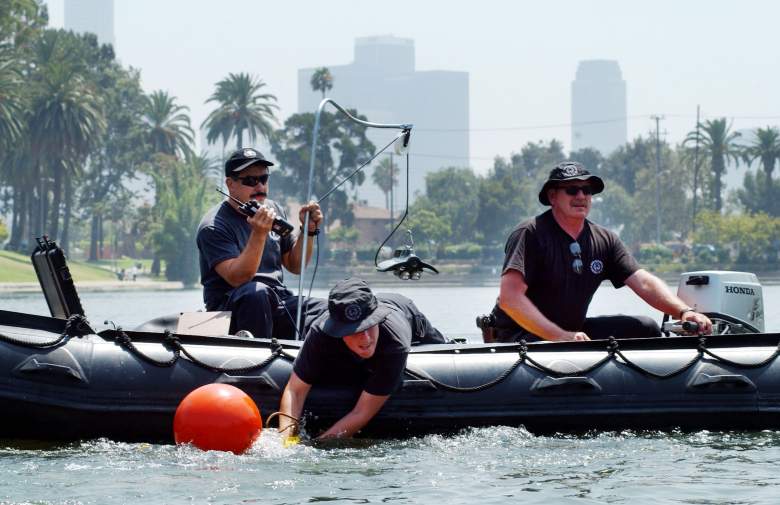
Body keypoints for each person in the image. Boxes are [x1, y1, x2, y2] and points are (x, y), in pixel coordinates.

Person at [490, 161, 713, 342]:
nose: (581, 196)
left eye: (586, 190)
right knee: (555, 348)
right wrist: (559, 337)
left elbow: (642, 282)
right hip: (519, 336)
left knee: (647, 328)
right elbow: (510, 299)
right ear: (552, 197)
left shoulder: (604, 239)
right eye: (571, 189)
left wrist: (684, 312)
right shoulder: (530, 233)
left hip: (573, 332)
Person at [278, 277, 446, 441]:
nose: (366, 339)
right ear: (338, 329)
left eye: (369, 325)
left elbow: (362, 412)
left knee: (442, 345)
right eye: (354, 330)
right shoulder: (320, 334)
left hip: (403, 311)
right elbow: (295, 391)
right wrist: (287, 442)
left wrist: (316, 446)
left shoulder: (395, 342)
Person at [196, 148, 327, 339]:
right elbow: (238, 279)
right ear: (230, 184)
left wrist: (307, 231)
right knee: (256, 293)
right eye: (250, 181)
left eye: (263, 179)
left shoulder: (273, 209)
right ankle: (257, 362)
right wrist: (259, 234)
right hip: (232, 308)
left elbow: (295, 265)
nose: (259, 186)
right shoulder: (213, 226)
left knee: (328, 309)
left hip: (277, 299)